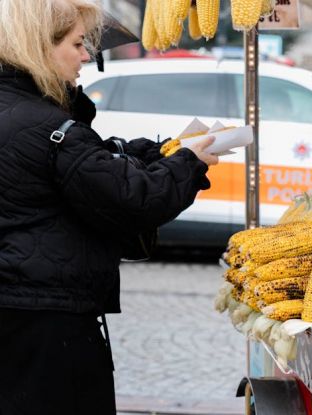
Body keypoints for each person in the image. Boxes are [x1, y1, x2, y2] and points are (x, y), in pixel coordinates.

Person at [0, 1, 218, 414]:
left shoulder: (24, 116)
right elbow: (135, 200)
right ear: (38, 48)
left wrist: (155, 152)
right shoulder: (50, 129)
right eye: (78, 43)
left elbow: (91, 164)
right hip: (50, 326)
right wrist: (189, 164)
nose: (87, 56)